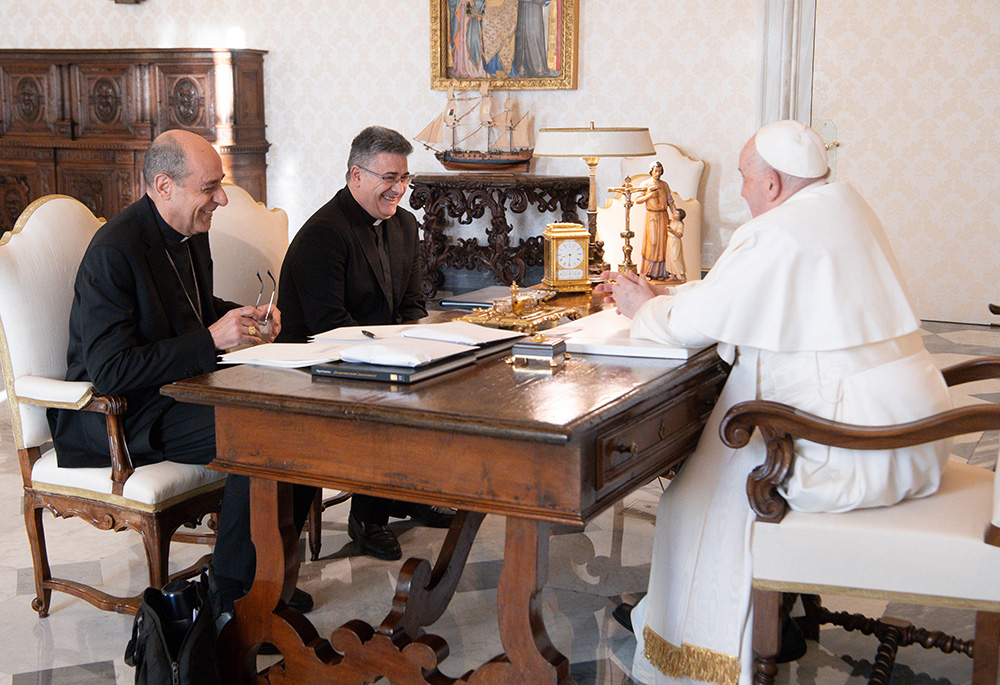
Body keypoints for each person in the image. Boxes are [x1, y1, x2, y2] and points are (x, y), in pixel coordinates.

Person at [596, 120, 953, 684]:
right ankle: (769, 609)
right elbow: (745, 295)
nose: (739, 191)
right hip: (910, 434)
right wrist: (671, 297)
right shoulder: (843, 206)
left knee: (694, 496)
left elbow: (692, 328)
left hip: (852, 450)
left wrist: (643, 307)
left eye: (744, 178)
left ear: (772, 185)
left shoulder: (777, 231)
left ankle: (706, 642)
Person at [47, 129, 315, 615]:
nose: (222, 198)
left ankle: (267, 577)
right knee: (260, 434)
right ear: (164, 186)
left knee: (304, 419)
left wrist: (244, 318)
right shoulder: (114, 251)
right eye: (209, 187)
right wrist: (213, 339)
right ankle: (232, 602)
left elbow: (190, 307)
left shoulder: (190, 231)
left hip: (180, 392)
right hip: (126, 414)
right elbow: (110, 369)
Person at [276, 126, 455, 561]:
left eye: (405, 178)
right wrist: (396, 356)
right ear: (356, 175)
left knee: (443, 379)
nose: (399, 189)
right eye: (389, 178)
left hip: (377, 351)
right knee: (392, 395)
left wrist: (425, 347)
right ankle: (367, 518)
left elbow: (412, 303)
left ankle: (405, 491)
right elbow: (328, 326)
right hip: (314, 365)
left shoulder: (406, 224)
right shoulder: (324, 233)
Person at [636, 161, 685, 282]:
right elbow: (638, 200)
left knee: (663, 243)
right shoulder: (645, 184)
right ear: (651, 171)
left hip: (664, 216)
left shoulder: (665, 185)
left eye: (659, 171)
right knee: (652, 242)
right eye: (655, 171)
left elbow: (670, 201)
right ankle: (646, 272)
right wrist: (650, 195)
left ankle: (663, 272)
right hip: (652, 216)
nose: (657, 173)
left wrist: (677, 216)